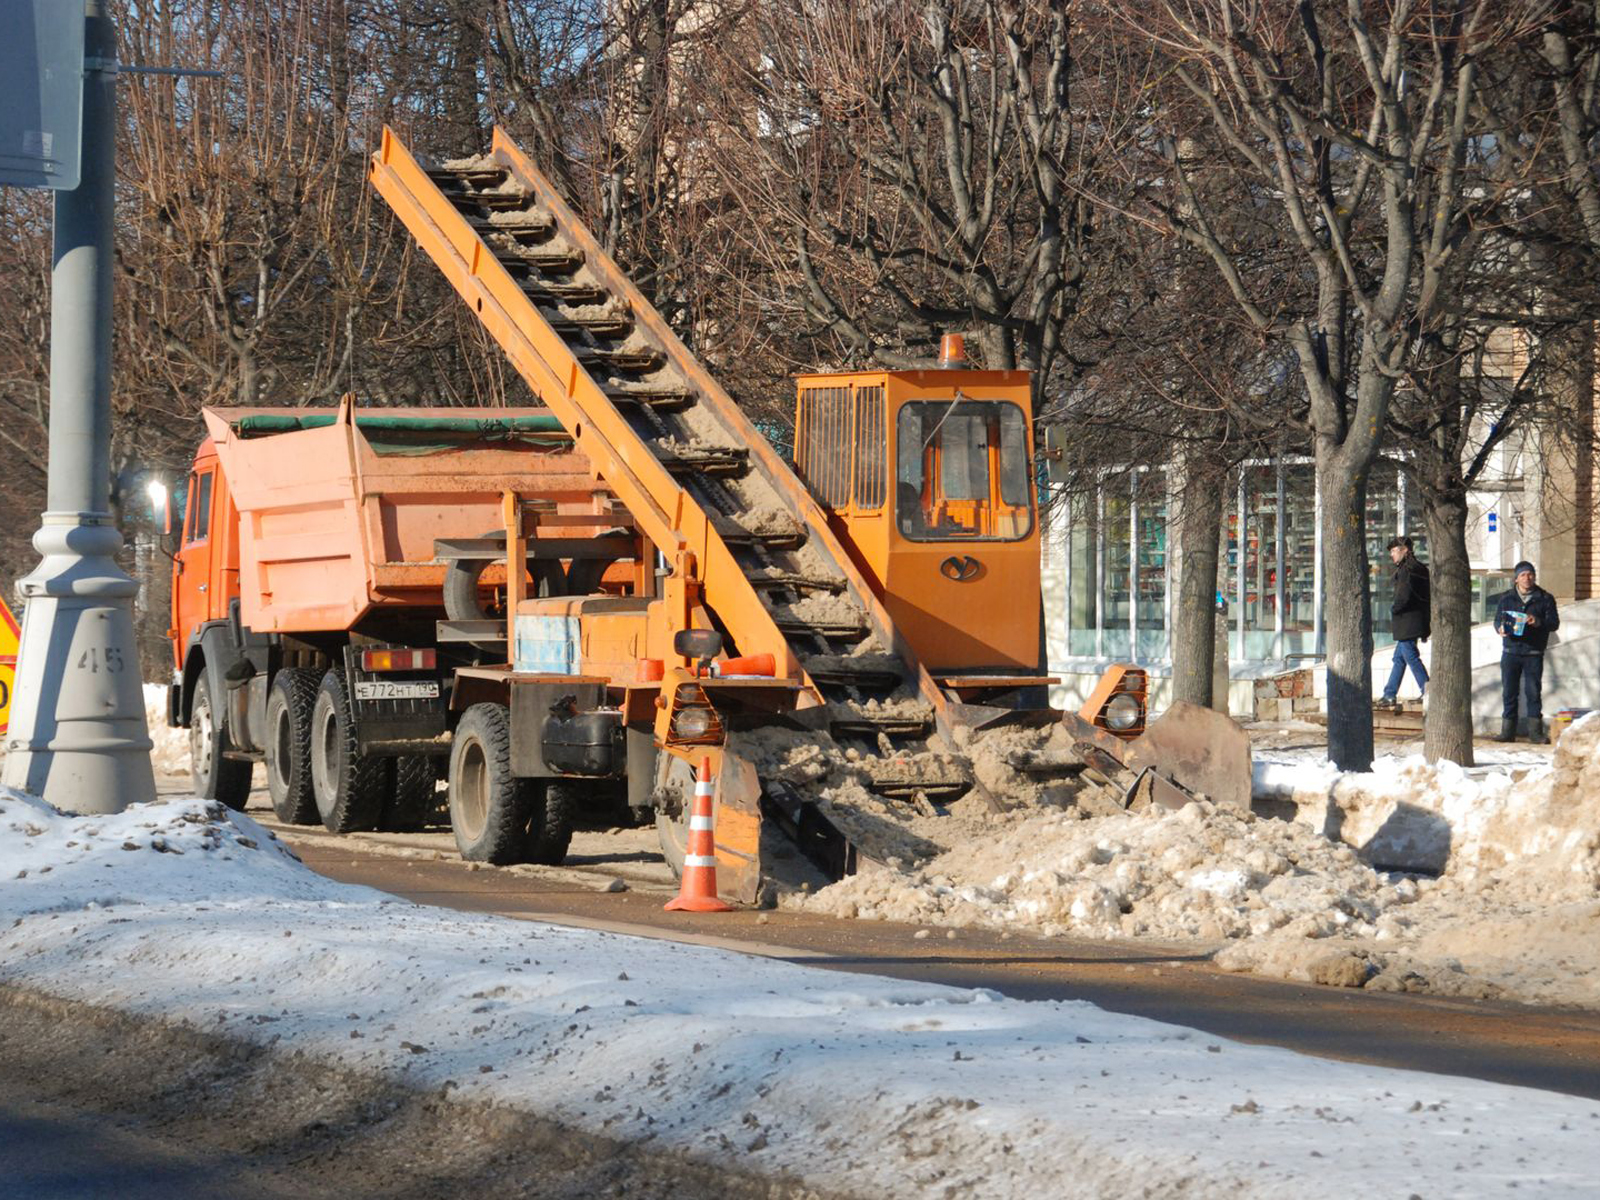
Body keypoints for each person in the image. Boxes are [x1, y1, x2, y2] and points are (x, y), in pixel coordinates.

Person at [1494, 560, 1560, 743]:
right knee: (1509, 692)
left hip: (1533, 652)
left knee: (1533, 692)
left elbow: (1554, 624)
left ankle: (1535, 733)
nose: (1527, 578)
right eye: (1523, 575)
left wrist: (1537, 621)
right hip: (1510, 651)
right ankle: (1507, 732)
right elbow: (1497, 620)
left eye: (1530, 574)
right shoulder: (1506, 598)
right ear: (1516, 579)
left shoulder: (1545, 598)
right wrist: (1499, 628)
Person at [1379, 536, 1430, 710]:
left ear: (1404, 550)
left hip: (1408, 621)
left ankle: (1427, 689)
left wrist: (1394, 609)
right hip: (1413, 621)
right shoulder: (1417, 568)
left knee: (1410, 656)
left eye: (1394, 551)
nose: (1392, 555)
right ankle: (1389, 694)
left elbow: (1404, 596)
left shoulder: (1408, 569)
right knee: (1399, 658)